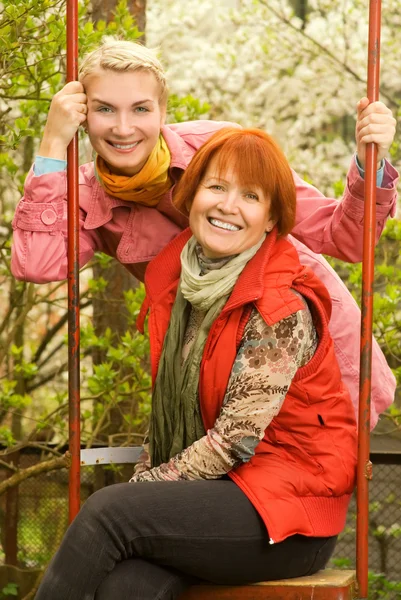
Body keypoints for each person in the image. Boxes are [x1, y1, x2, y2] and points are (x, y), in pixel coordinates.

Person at [36, 127, 359, 599]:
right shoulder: (180, 285)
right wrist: (146, 488)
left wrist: (141, 491)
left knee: (109, 512)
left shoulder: (278, 308)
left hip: (288, 514)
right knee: (127, 586)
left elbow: (232, 442)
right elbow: (169, 414)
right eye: (216, 187)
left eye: (250, 196)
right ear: (192, 197)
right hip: (220, 493)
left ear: (271, 219)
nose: (228, 206)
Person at [11, 38, 397, 421]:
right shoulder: (87, 197)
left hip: (311, 345)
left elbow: (343, 236)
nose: (124, 128)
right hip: (221, 373)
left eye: (140, 109)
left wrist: (370, 162)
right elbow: (38, 266)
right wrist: (52, 144)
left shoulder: (220, 148)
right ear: (83, 116)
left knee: (317, 468)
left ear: (162, 111)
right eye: (105, 109)